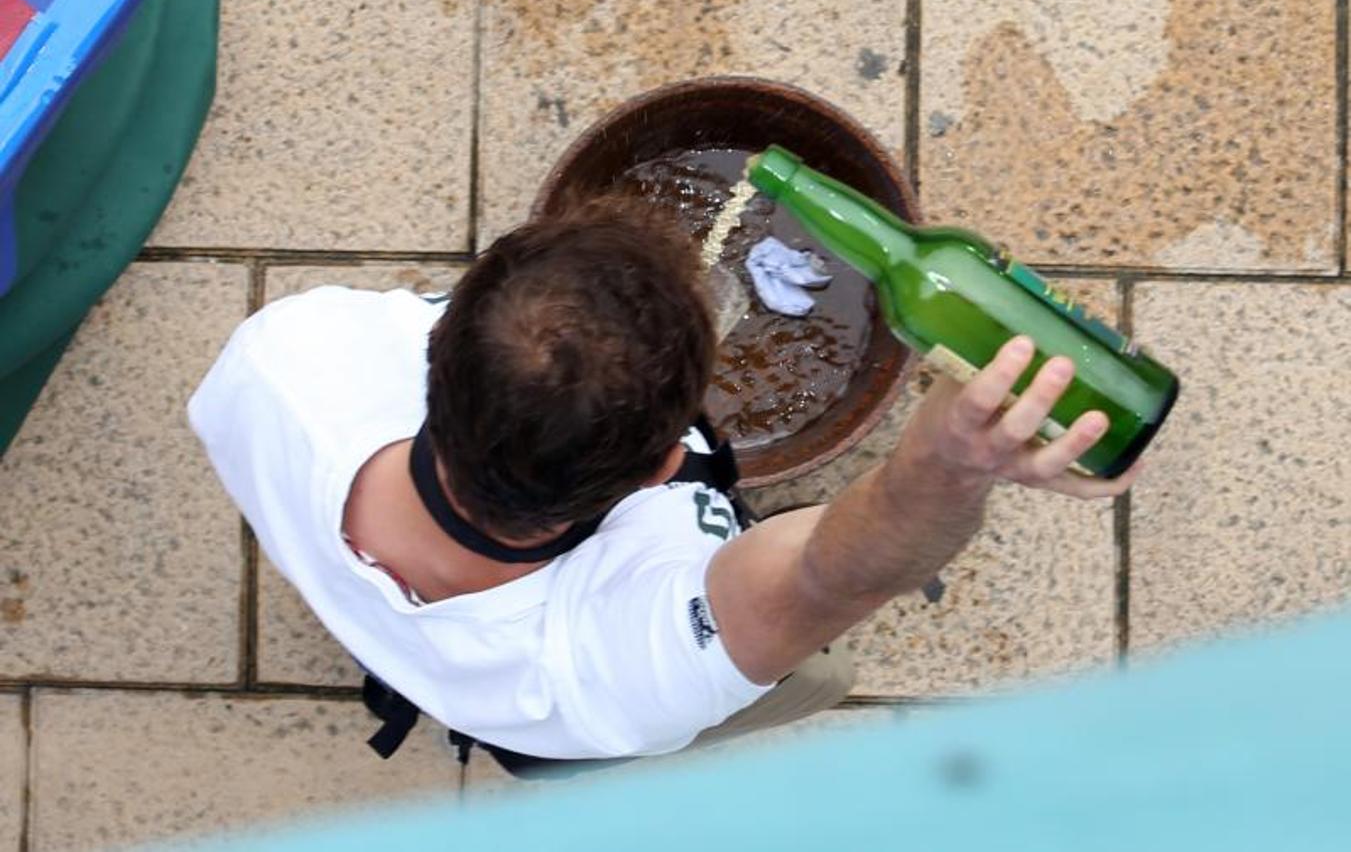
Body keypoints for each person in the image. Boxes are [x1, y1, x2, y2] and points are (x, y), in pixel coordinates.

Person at [188, 197, 1139, 773]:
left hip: (380, 605)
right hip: (554, 718)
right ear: (661, 465)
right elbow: (825, 579)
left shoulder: (287, 354)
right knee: (823, 674)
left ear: (442, 348)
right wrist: (946, 463)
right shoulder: (612, 666)